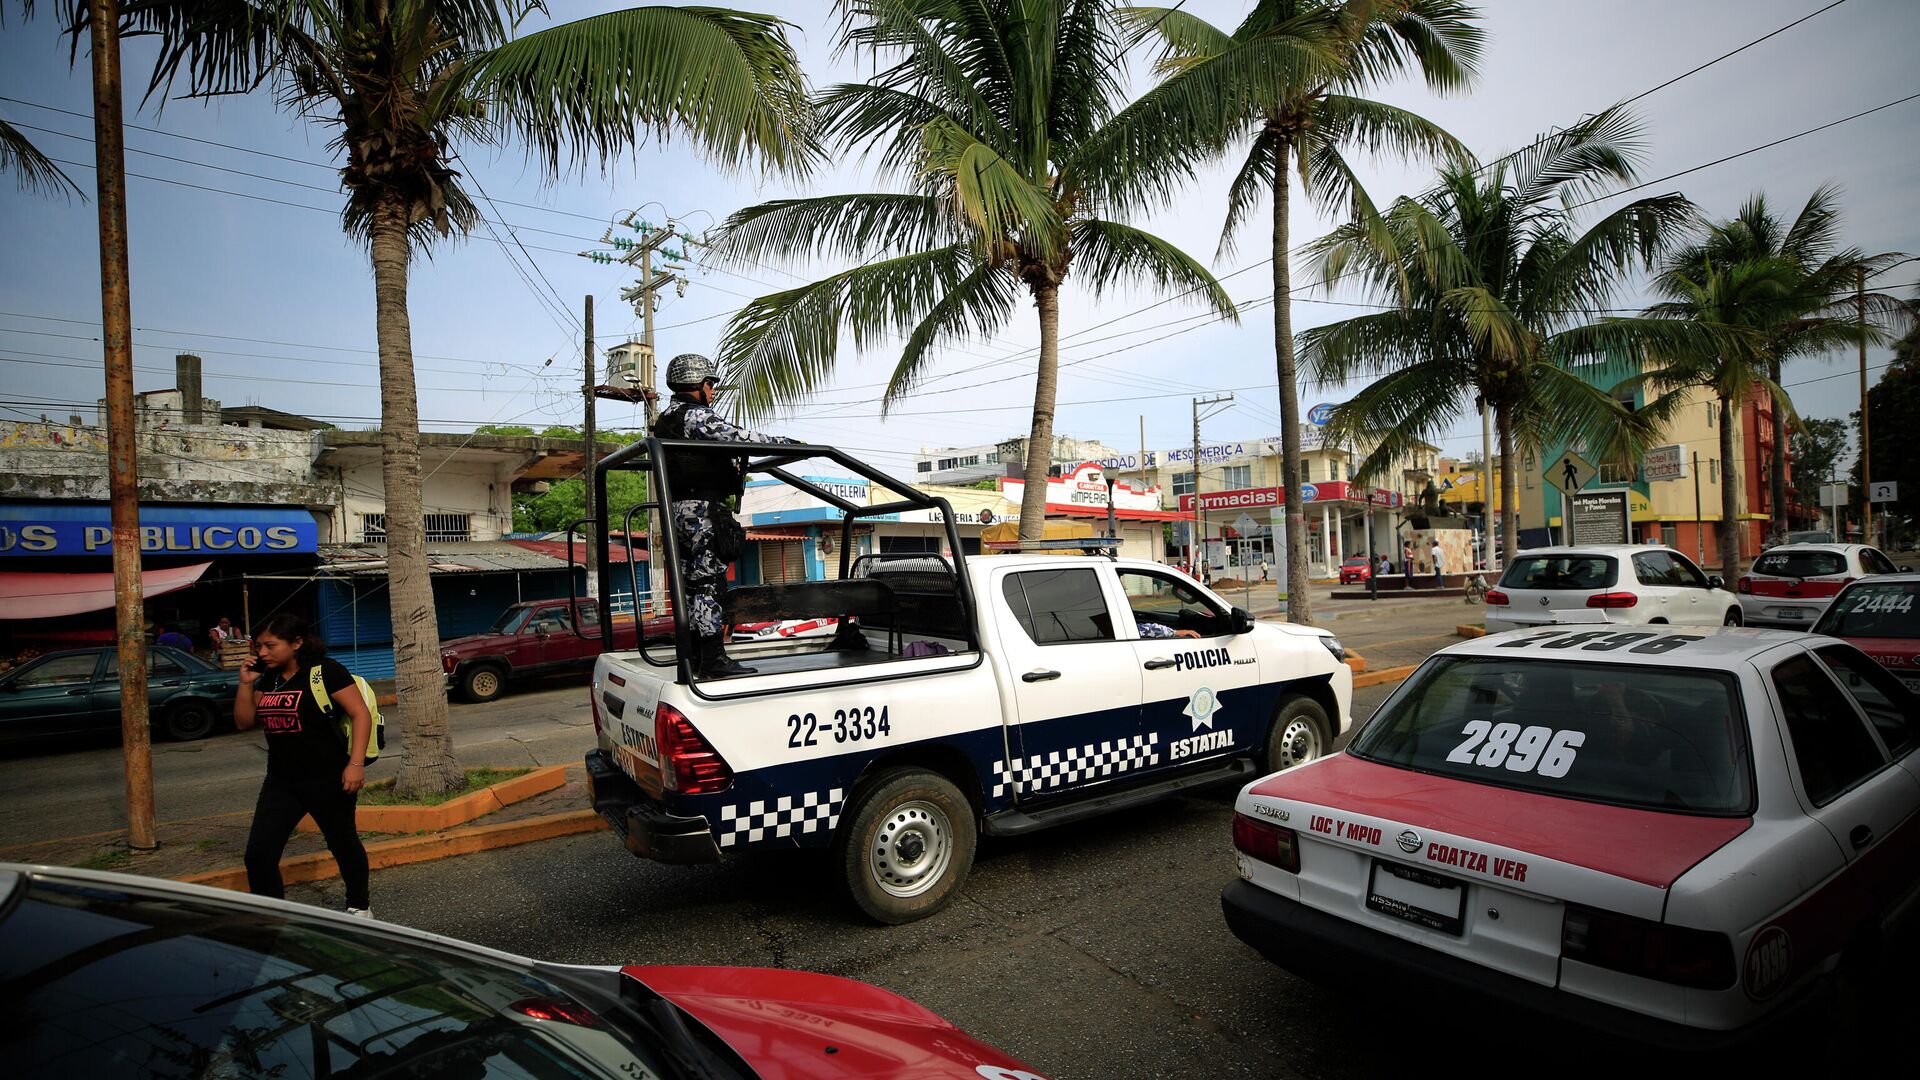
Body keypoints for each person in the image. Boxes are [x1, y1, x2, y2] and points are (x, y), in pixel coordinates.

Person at [653, 353, 798, 678]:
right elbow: (736, 437)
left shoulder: (667, 418)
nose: (713, 391)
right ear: (698, 385)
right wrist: (785, 444)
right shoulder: (694, 416)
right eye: (710, 384)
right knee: (707, 583)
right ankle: (713, 660)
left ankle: (692, 658)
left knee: (691, 584)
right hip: (701, 511)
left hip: (678, 511)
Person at [235, 613, 375, 918]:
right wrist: (246, 684)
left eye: (270, 646)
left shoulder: (325, 671)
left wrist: (356, 764)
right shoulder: (269, 678)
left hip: (329, 777)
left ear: (296, 642)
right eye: (259, 646)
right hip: (281, 780)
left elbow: (361, 714)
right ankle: (271, 915)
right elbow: (245, 722)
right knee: (258, 854)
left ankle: (359, 907)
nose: (262, 653)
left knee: (342, 842)